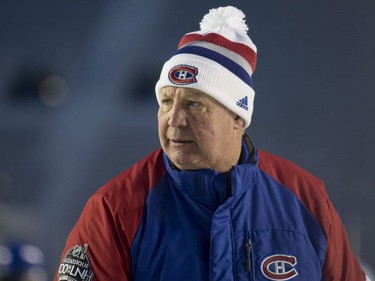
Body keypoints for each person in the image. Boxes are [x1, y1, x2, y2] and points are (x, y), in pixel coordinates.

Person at [55, 6, 370, 281]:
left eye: (194, 104)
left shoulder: (307, 199)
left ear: (237, 116)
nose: (174, 119)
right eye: (166, 102)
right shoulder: (114, 209)